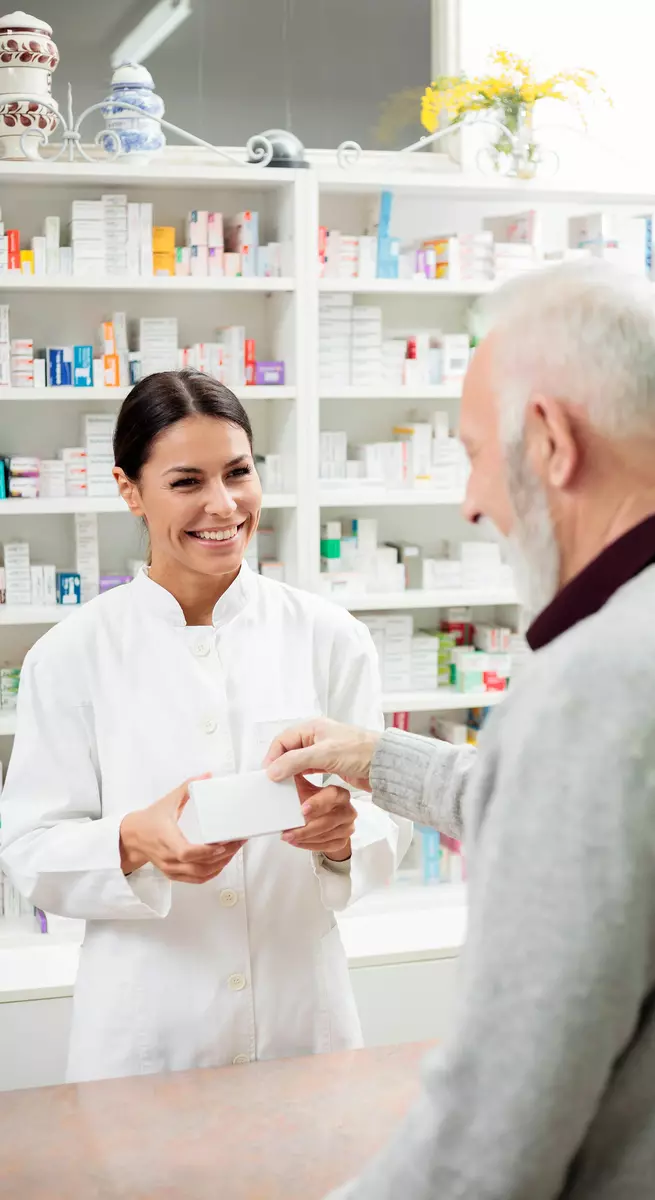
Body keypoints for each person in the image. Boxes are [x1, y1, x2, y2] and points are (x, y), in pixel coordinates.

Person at [267, 262, 655, 1199]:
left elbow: (483, 1147)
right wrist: (371, 754)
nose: (472, 501)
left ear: (550, 440)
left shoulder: (596, 691)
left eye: (475, 452)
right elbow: (622, 823)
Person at [0, 369, 411, 1084]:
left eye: (239, 473)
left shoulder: (330, 637)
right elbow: (28, 850)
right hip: (147, 1035)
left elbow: (388, 816)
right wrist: (133, 840)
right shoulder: (69, 656)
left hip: (301, 1021)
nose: (223, 505)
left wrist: (345, 836)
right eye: (186, 481)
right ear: (129, 489)